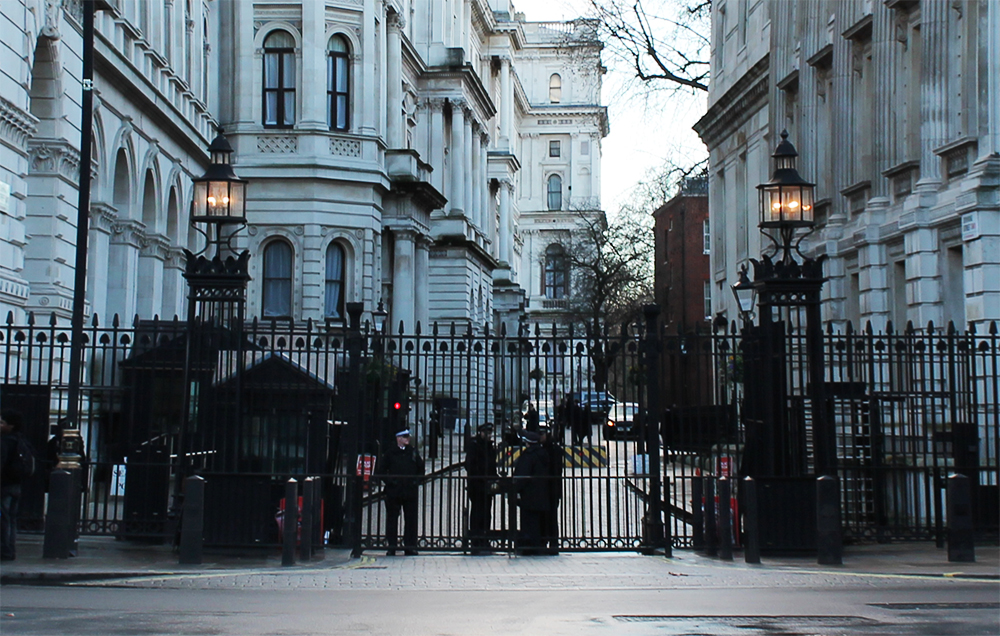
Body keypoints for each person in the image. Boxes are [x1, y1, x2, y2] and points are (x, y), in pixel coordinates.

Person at [377, 428, 424, 555]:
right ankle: (392, 546)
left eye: (407, 436)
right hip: (394, 491)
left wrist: (416, 482)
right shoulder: (390, 453)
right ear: (398, 438)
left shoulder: (413, 452)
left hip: (409, 491)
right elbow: (381, 471)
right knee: (392, 519)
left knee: (411, 519)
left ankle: (410, 546)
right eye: (404, 437)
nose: (407, 439)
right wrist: (391, 482)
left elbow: (421, 468)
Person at [1, 409, 33, 561]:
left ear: (10, 426)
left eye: (2, 422)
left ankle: (4, 549)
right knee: (12, 519)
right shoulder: (21, 440)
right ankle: (10, 549)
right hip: (16, 484)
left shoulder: (5, 442)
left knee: (4, 519)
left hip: (4, 485)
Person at [512, 430, 549, 555]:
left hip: (529, 494)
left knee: (528, 521)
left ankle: (529, 546)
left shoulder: (528, 456)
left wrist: (515, 488)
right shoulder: (543, 453)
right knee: (539, 521)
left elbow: (522, 476)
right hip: (542, 493)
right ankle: (539, 544)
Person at [465, 422, 498, 553]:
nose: (489, 435)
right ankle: (475, 540)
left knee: (486, 513)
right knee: (477, 513)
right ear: (481, 433)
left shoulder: (490, 447)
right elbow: (470, 465)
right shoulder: (474, 446)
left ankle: (485, 538)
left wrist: (494, 478)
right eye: (487, 433)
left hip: (488, 486)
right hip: (477, 485)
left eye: (490, 433)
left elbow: (492, 465)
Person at [538, 426, 563, 554]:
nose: (540, 437)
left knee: (552, 516)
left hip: (551, 488)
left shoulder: (554, 450)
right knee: (543, 516)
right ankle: (543, 540)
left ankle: (553, 542)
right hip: (544, 488)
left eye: (542, 434)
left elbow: (556, 470)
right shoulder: (540, 449)